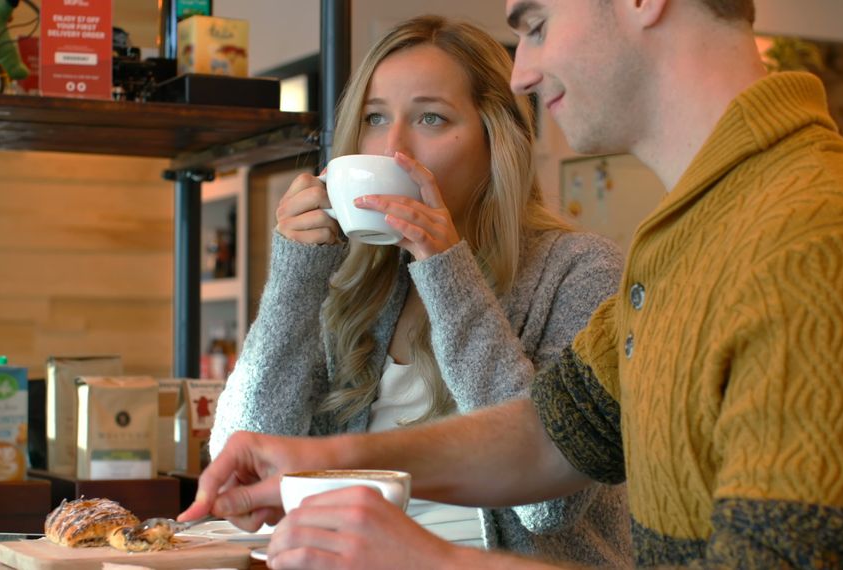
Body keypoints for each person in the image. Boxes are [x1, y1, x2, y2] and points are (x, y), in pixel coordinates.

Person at [185, 1, 843, 568]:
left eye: (534, 23)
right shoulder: (691, 233)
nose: (523, 71)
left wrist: (428, 561)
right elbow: (553, 434)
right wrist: (324, 457)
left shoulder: (814, 245)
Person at [207, 14, 630, 568]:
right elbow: (239, 468)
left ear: (494, 137)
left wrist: (445, 268)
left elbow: (549, 505)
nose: (393, 147)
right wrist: (295, 276)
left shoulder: (580, 270)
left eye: (430, 117)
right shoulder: (350, 285)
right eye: (375, 118)